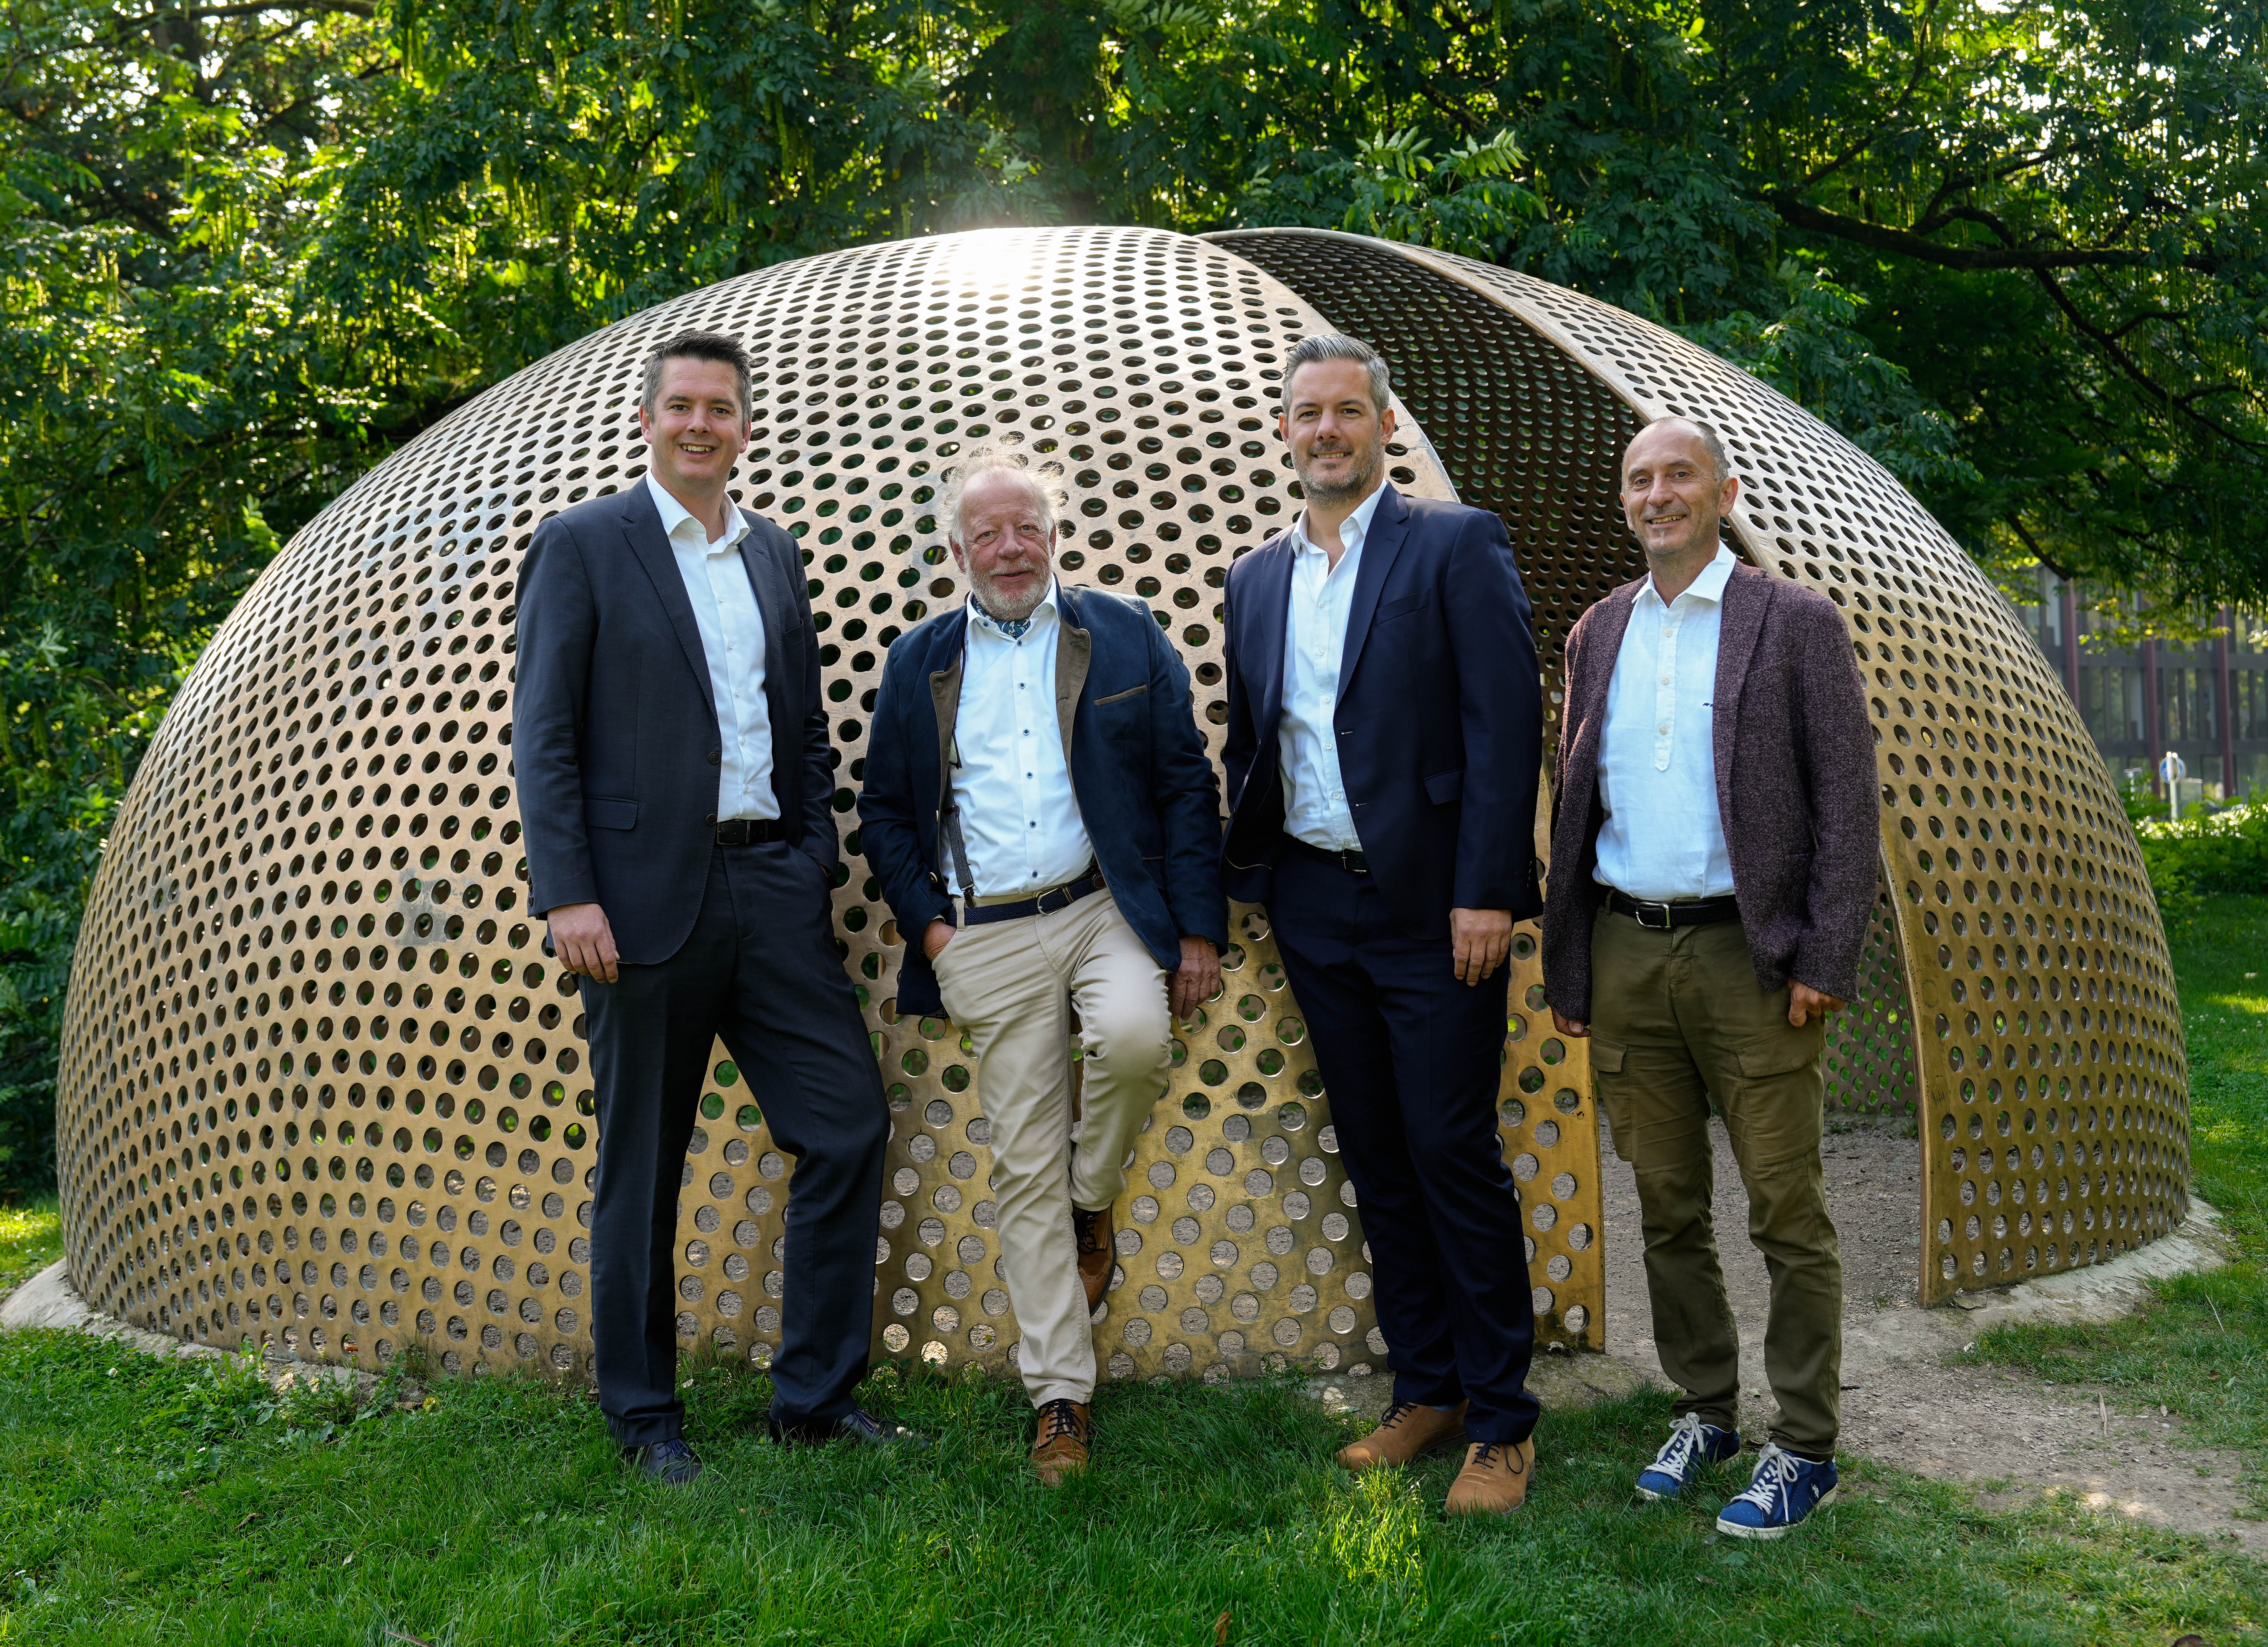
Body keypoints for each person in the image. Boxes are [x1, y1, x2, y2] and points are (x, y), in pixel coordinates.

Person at [515, 330, 913, 1486]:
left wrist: (810, 853)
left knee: (846, 1125)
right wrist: (569, 894)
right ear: (648, 419)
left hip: (772, 889)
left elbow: (803, 724)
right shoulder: (584, 545)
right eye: (682, 405)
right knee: (642, 1166)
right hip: (637, 907)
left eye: (721, 408)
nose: (702, 424)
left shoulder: (772, 552)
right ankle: (645, 1416)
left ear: (745, 425)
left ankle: (815, 1400)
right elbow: (544, 735)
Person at [1219, 333, 1545, 1515]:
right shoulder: (1256, 578)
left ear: (1385, 425)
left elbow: (1506, 724)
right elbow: (1256, 739)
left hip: (1434, 908)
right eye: (1308, 413)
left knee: (1450, 1149)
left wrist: (1487, 888)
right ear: (1285, 431)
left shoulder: (1455, 543)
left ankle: (1503, 1422)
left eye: (1348, 411)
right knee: (1374, 1152)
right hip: (1314, 905)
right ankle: (1428, 1389)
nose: (1327, 431)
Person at [860, 444, 1227, 1485]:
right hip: (983, 931)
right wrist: (933, 931)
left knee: (1135, 1039)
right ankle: (1060, 1397)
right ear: (958, 552)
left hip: (1103, 905)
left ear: (1054, 536)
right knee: (1021, 1165)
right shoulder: (919, 661)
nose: (1010, 548)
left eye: (1027, 527)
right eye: (988, 534)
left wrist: (1196, 929)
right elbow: (884, 813)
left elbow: (1184, 784)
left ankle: (1092, 1195)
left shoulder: (1123, 632)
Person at [1541, 416, 1876, 1539]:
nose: (1658, 494)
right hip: (1629, 949)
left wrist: (1826, 955)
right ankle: (1705, 1412)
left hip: (1751, 956)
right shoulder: (1599, 630)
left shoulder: (1794, 622)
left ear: (1724, 493)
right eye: (1639, 479)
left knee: (1786, 1206)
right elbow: (1577, 806)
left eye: (1679, 475)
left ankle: (1806, 1445)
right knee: (1667, 1203)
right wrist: (1576, 964)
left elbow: (1848, 804)